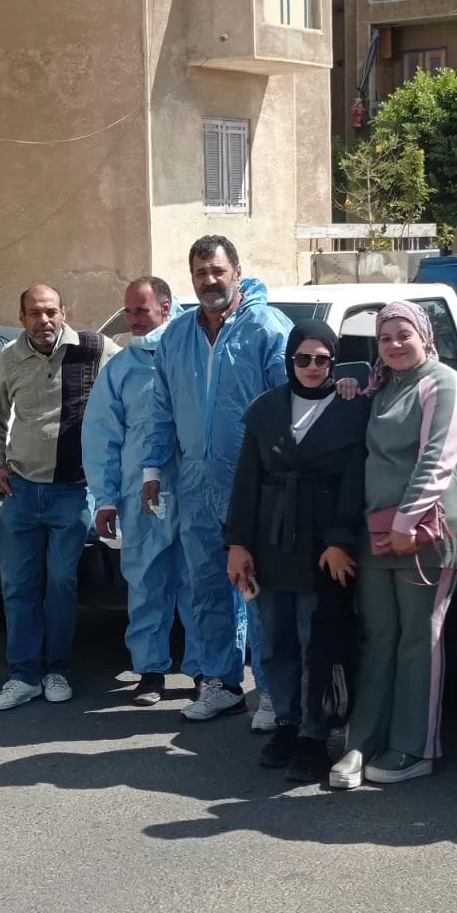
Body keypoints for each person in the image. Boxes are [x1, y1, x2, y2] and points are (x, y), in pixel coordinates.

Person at [141, 236, 293, 725]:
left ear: (237, 272)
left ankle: (271, 691)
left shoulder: (267, 328)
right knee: (205, 586)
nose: (209, 281)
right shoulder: (176, 336)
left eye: (218, 271)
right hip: (195, 482)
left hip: (255, 484)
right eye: (200, 273)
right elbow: (161, 407)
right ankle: (221, 682)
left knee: (260, 588)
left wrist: (283, 479)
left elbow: (290, 408)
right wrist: (152, 468)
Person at [332, 302, 457, 789]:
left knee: (419, 640)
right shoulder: (382, 386)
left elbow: (438, 457)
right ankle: (362, 741)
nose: (394, 344)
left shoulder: (443, 382)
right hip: (376, 531)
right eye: (384, 337)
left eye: (403, 334)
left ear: (424, 335)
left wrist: (406, 521)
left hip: (425, 532)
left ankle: (414, 747)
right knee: (378, 638)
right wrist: (347, 388)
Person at [224, 321, 370, 781]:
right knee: (275, 641)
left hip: (323, 545)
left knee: (317, 643)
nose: (312, 367)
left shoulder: (351, 408)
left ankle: (314, 734)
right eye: (302, 358)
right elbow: (246, 482)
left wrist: (340, 540)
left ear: (334, 361)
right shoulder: (266, 409)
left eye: (322, 359)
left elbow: (355, 482)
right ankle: (287, 724)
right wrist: (237, 544)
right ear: (289, 360)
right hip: (271, 541)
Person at [0, 285, 119, 711]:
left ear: (64, 312)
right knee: (19, 587)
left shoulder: (94, 350)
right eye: (34, 313)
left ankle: (57, 670)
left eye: (50, 312)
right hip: (21, 492)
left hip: (72, 493)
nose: (43, 320)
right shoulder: (9, 358)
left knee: (61, 584)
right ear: (21, 318)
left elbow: (132, 383)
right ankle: (23, 676)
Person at [82, 276, 190, 705]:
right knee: (146, 584)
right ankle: (150, 671)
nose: (133, 320)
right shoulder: (121, 370)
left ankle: (209, 670)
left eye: (141, 310)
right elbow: (102, 438)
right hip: (140, 499)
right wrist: (105, 498)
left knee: (200, 585)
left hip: (194, 491)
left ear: (165, 307)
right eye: (128, 311)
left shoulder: (193, 357)